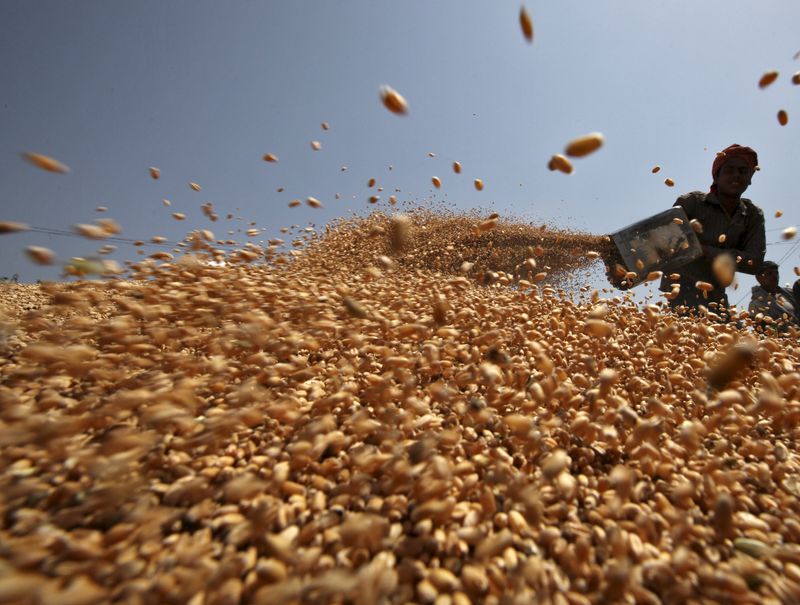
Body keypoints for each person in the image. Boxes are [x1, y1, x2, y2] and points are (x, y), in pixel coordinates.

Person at [660, 144, 766, 318]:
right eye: (729, 170)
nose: (736, 175)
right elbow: (663, 241)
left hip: (715, 293)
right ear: (717, 176)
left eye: (742, 171)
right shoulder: (692, 203)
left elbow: (754, 262)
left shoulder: (752, 215)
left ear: (750, 178)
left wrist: (704, 250)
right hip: (681, 290)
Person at [748, 261, 798, 332]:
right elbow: (760, 331)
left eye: (776, 273)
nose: (774, 276)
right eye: (769, 274)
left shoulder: (789, 294)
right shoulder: (756, 305)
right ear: (759, 278)